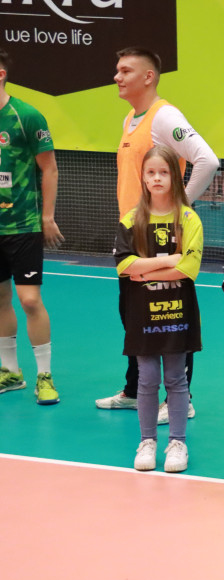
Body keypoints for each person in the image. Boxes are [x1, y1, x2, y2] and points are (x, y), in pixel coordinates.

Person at [97, 46, 219, 421]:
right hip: (134, 238)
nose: (117, 77)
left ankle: (183, 398)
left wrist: (179, 209)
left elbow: (207, 160)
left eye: (125, 70)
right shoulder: (129, 119)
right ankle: (135, 390)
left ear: (148, 77)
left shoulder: (164, 116)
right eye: (117, 70)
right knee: (134, 315)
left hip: (163, 237)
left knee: (171, 315)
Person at [114, 146, 202, 473]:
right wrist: (167, 260)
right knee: (148, 379)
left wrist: (145, 271)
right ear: (143, 177)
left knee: (177, 379)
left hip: (177, 314)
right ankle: (147, 441)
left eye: (163, 172)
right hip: (142, 315)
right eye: (150, 172)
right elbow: (124, 265)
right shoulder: (131, 219)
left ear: (175, 177)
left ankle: (177, 442)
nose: (156, 178)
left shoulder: (188, 218)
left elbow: (189, 269)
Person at [0, 47, 62, 404]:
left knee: (29, 300)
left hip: (22, 225)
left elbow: (49, 167)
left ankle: (44, 376)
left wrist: (47, 216)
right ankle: (10, 373)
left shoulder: (26, 116)